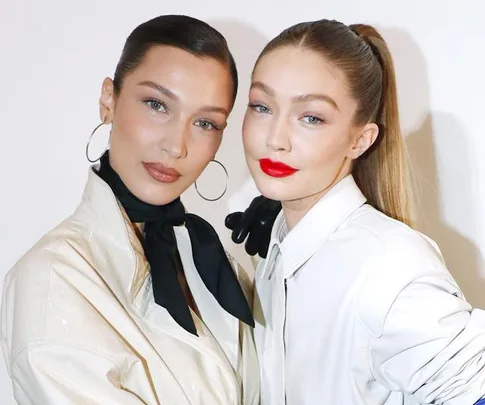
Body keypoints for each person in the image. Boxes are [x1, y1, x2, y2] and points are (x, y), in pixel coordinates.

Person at [1, 15, 261, 405]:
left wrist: (290, 249)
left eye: (205, 123)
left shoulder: (220, 269)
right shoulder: (53, 278)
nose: (177, 145)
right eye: (157, 105)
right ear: (109, 99)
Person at [228, 18, 485, 404]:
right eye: (262, 107)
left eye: (311, 117)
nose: (275, 139)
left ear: (360, 140)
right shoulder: (281, 247)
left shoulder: (388, 267)